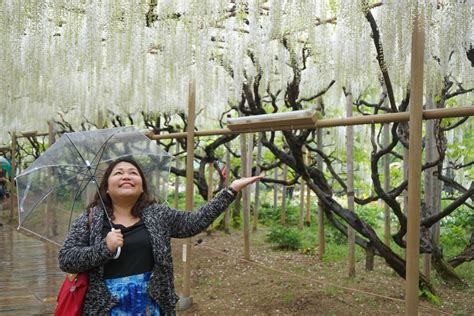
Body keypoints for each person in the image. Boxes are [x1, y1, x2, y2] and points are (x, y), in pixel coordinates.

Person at [58, 157, 263, 315]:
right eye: (118, 173)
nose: (126, 176)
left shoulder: (157, 214)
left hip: (152, 305)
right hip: (106, 307)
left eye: (133, 173)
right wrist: (104, 248)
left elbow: (195, 222)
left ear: (141, 187)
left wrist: (231, 191)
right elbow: (66, 259)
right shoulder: (90, 218)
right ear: (107, 188)